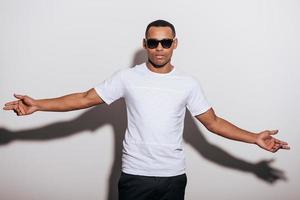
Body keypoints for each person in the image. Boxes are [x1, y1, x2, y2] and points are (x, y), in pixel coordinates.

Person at [3, 20, 290, 200]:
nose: (160, 48)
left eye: (166, 42)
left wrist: (254, 137)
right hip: (135, 176)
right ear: (145, 44)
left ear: (174, 44)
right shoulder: (127, 78)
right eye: (153, 42)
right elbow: (83, 98)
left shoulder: (188, 83)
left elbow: (213, 123)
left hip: (173, 177)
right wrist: (38, 104)